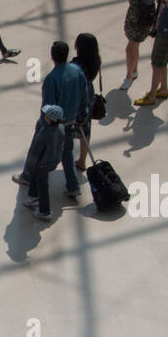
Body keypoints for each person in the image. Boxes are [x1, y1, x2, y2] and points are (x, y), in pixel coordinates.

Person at [12, 41, 86, 205]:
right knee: (67, 153)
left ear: (52, 57)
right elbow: (84, 95)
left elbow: (48, 107)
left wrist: (43, 128)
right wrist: (82, 115)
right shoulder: (78, 72)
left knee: (37, 153)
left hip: (53, 126)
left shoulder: (52, 79)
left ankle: (27, 177)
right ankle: (73, 186)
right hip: (71, 121)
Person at [116, 0, 161, 90]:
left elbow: (160, 4)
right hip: (132, 16)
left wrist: (157, 22)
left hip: (144, 20)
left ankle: (128, 77)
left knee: (131, 47)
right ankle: (134, 70)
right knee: (134, 46)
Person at [17, 105, 66, 223]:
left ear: (49, 119)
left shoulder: (44, 132)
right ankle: (33, 197)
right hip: (53, 160)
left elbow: (36, 150)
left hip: (42, 163)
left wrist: (31, 165)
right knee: (37, 178)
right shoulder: (61, 128)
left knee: (43, 185)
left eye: (46, 115)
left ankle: (45, 211)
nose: (44, 116)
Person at [71, 32, 101, 171]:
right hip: (89, 94)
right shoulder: (96, 61)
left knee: (68, 127)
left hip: (77, 95)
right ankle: (82, 160)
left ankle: (63, 156)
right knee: (86, 128)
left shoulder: (76, 64)